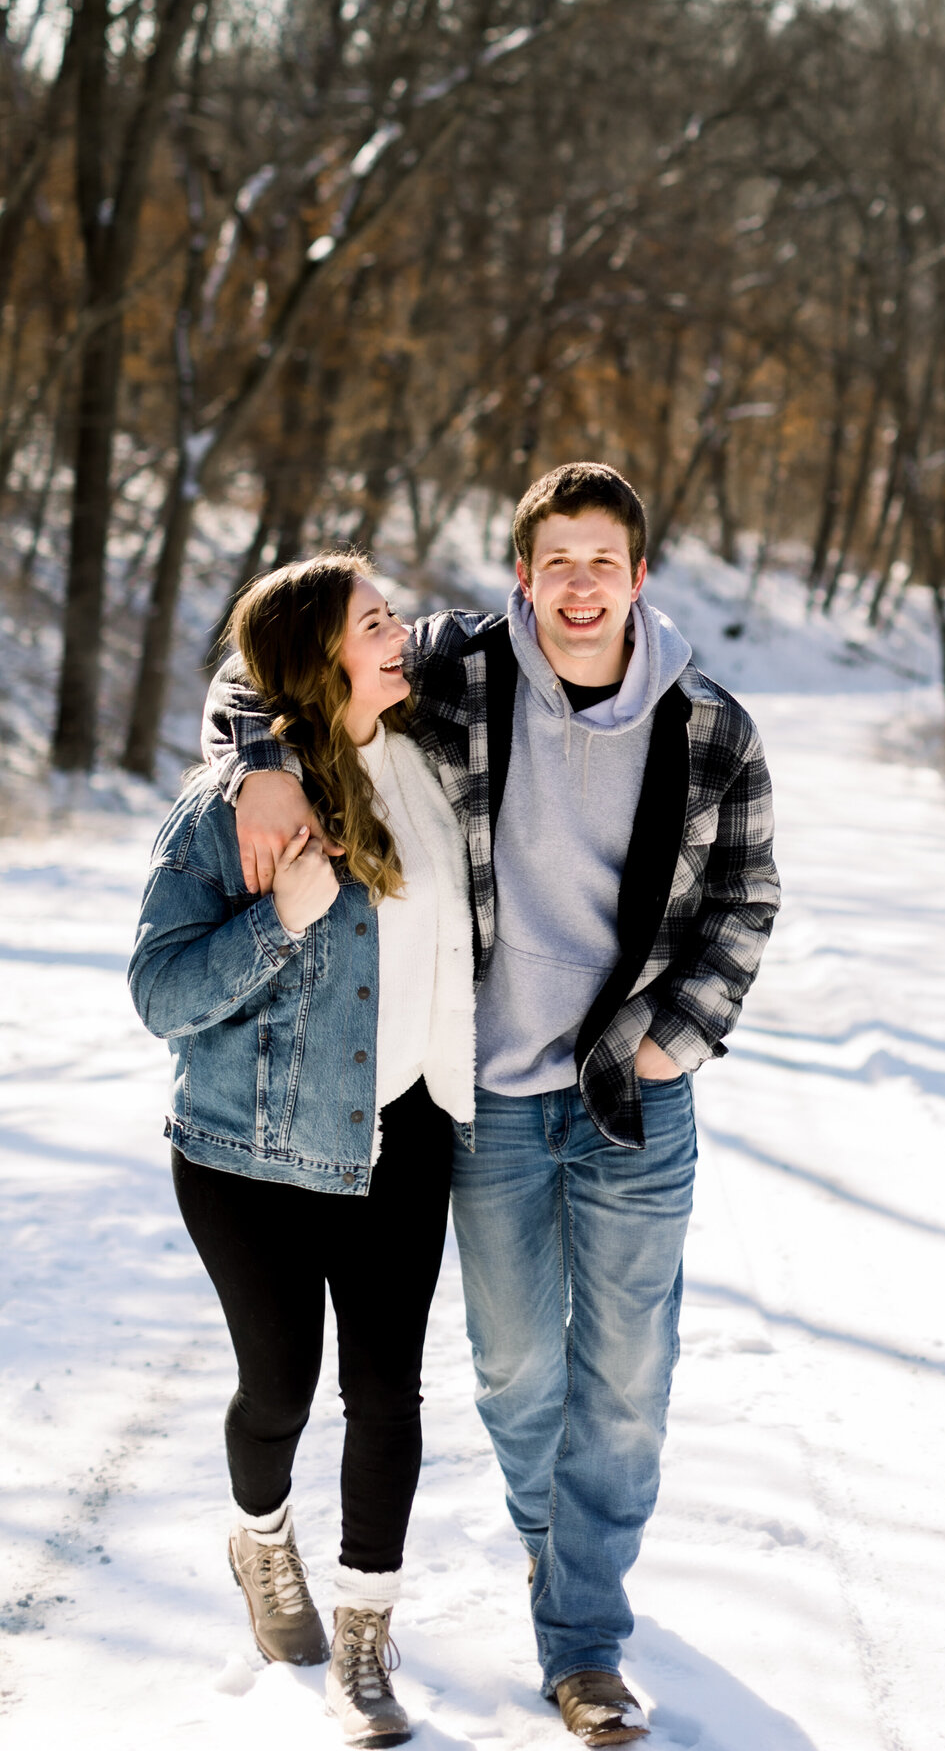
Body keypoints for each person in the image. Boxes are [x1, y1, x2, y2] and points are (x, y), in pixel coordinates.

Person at [203, 464, 780, 1748]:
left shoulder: (711, 725)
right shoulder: (455, 670)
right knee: (517, 1372)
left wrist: (675, 1043)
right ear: (524, 578)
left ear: (641, 578)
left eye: (604, 563)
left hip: (634, 1097)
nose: (580, 585)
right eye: (556, 562)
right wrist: (261, 771)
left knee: (625, 1379)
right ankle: (558, 1552)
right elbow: (268, 665)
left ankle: (582, 1643)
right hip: (488, 1100)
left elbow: (746, 902)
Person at [130, 554, 474, 1750]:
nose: (403, 637)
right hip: (249, 1154)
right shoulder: (230, 812)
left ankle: (367, 1632)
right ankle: (261, 1542)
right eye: (375, 623)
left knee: (387, 1394)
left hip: (405, 1137)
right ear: (322, 661)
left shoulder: (436, 760)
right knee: (277, 1390)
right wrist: (279, 922)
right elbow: (160, 991)